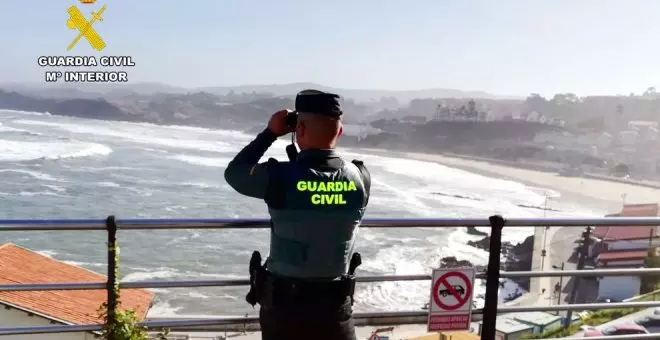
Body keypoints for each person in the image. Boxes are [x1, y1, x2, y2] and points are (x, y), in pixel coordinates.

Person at [224, 89, 371, 340]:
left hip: (286, 312)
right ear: (340, 131)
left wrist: (270, 133)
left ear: (299, 130)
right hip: (336, 311)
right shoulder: (360, 178)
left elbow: (235, 173)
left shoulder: (278, 177)